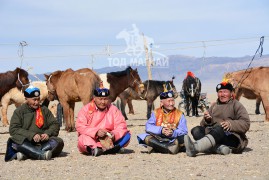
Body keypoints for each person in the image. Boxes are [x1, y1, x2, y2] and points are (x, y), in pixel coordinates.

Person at [184, 81, 250, 157]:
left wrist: (230, 124)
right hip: (214, 135)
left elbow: (246, 123)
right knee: (196, 130)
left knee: (220, 128)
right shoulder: (214, 105)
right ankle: (218, 148)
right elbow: (202, 124)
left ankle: (195, 148)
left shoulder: (236, 105)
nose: (222, 94)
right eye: (220, 92)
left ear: (231, 93)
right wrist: (207, 120)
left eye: (225, 92)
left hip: (232, 138)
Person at [5, 86, 64, 161]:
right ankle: (41, 155)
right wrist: (31, 135)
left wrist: (47, 133)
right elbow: (13, 129)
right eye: (34, 100)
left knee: (58, 142)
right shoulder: (19, 111)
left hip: (42, 142)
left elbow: (55, 124)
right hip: (26, 142)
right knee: (15, 141)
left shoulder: (44, 110)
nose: (36, 102)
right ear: (26, 99)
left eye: (38, 99)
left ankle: (28, 154)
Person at [76, 82, 131, 157]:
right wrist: (96, 132)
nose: (103, 102)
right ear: (94, 98)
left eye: (105, 99)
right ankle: (98, 149)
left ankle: (103, 149)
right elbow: (80, 127)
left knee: (127, 135)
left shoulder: (113, 109)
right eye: (100, 99)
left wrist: (114, 134)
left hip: (110, 140)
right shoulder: (86, 110)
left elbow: (121, 125)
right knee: (82, 138)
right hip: (93, 139)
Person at [137, 86, 188, 154]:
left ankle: (160, 148)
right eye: (168, 101)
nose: (171, 103)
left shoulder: (179, 114)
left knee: (184, 138)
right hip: (159, 138)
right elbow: (148, 126)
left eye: (172, 100)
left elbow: (184, 130)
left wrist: (173, 132)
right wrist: (161, 130)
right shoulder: (156, 112)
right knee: (145, 137)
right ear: (162, 102)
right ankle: (168, 148)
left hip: (173, 139)